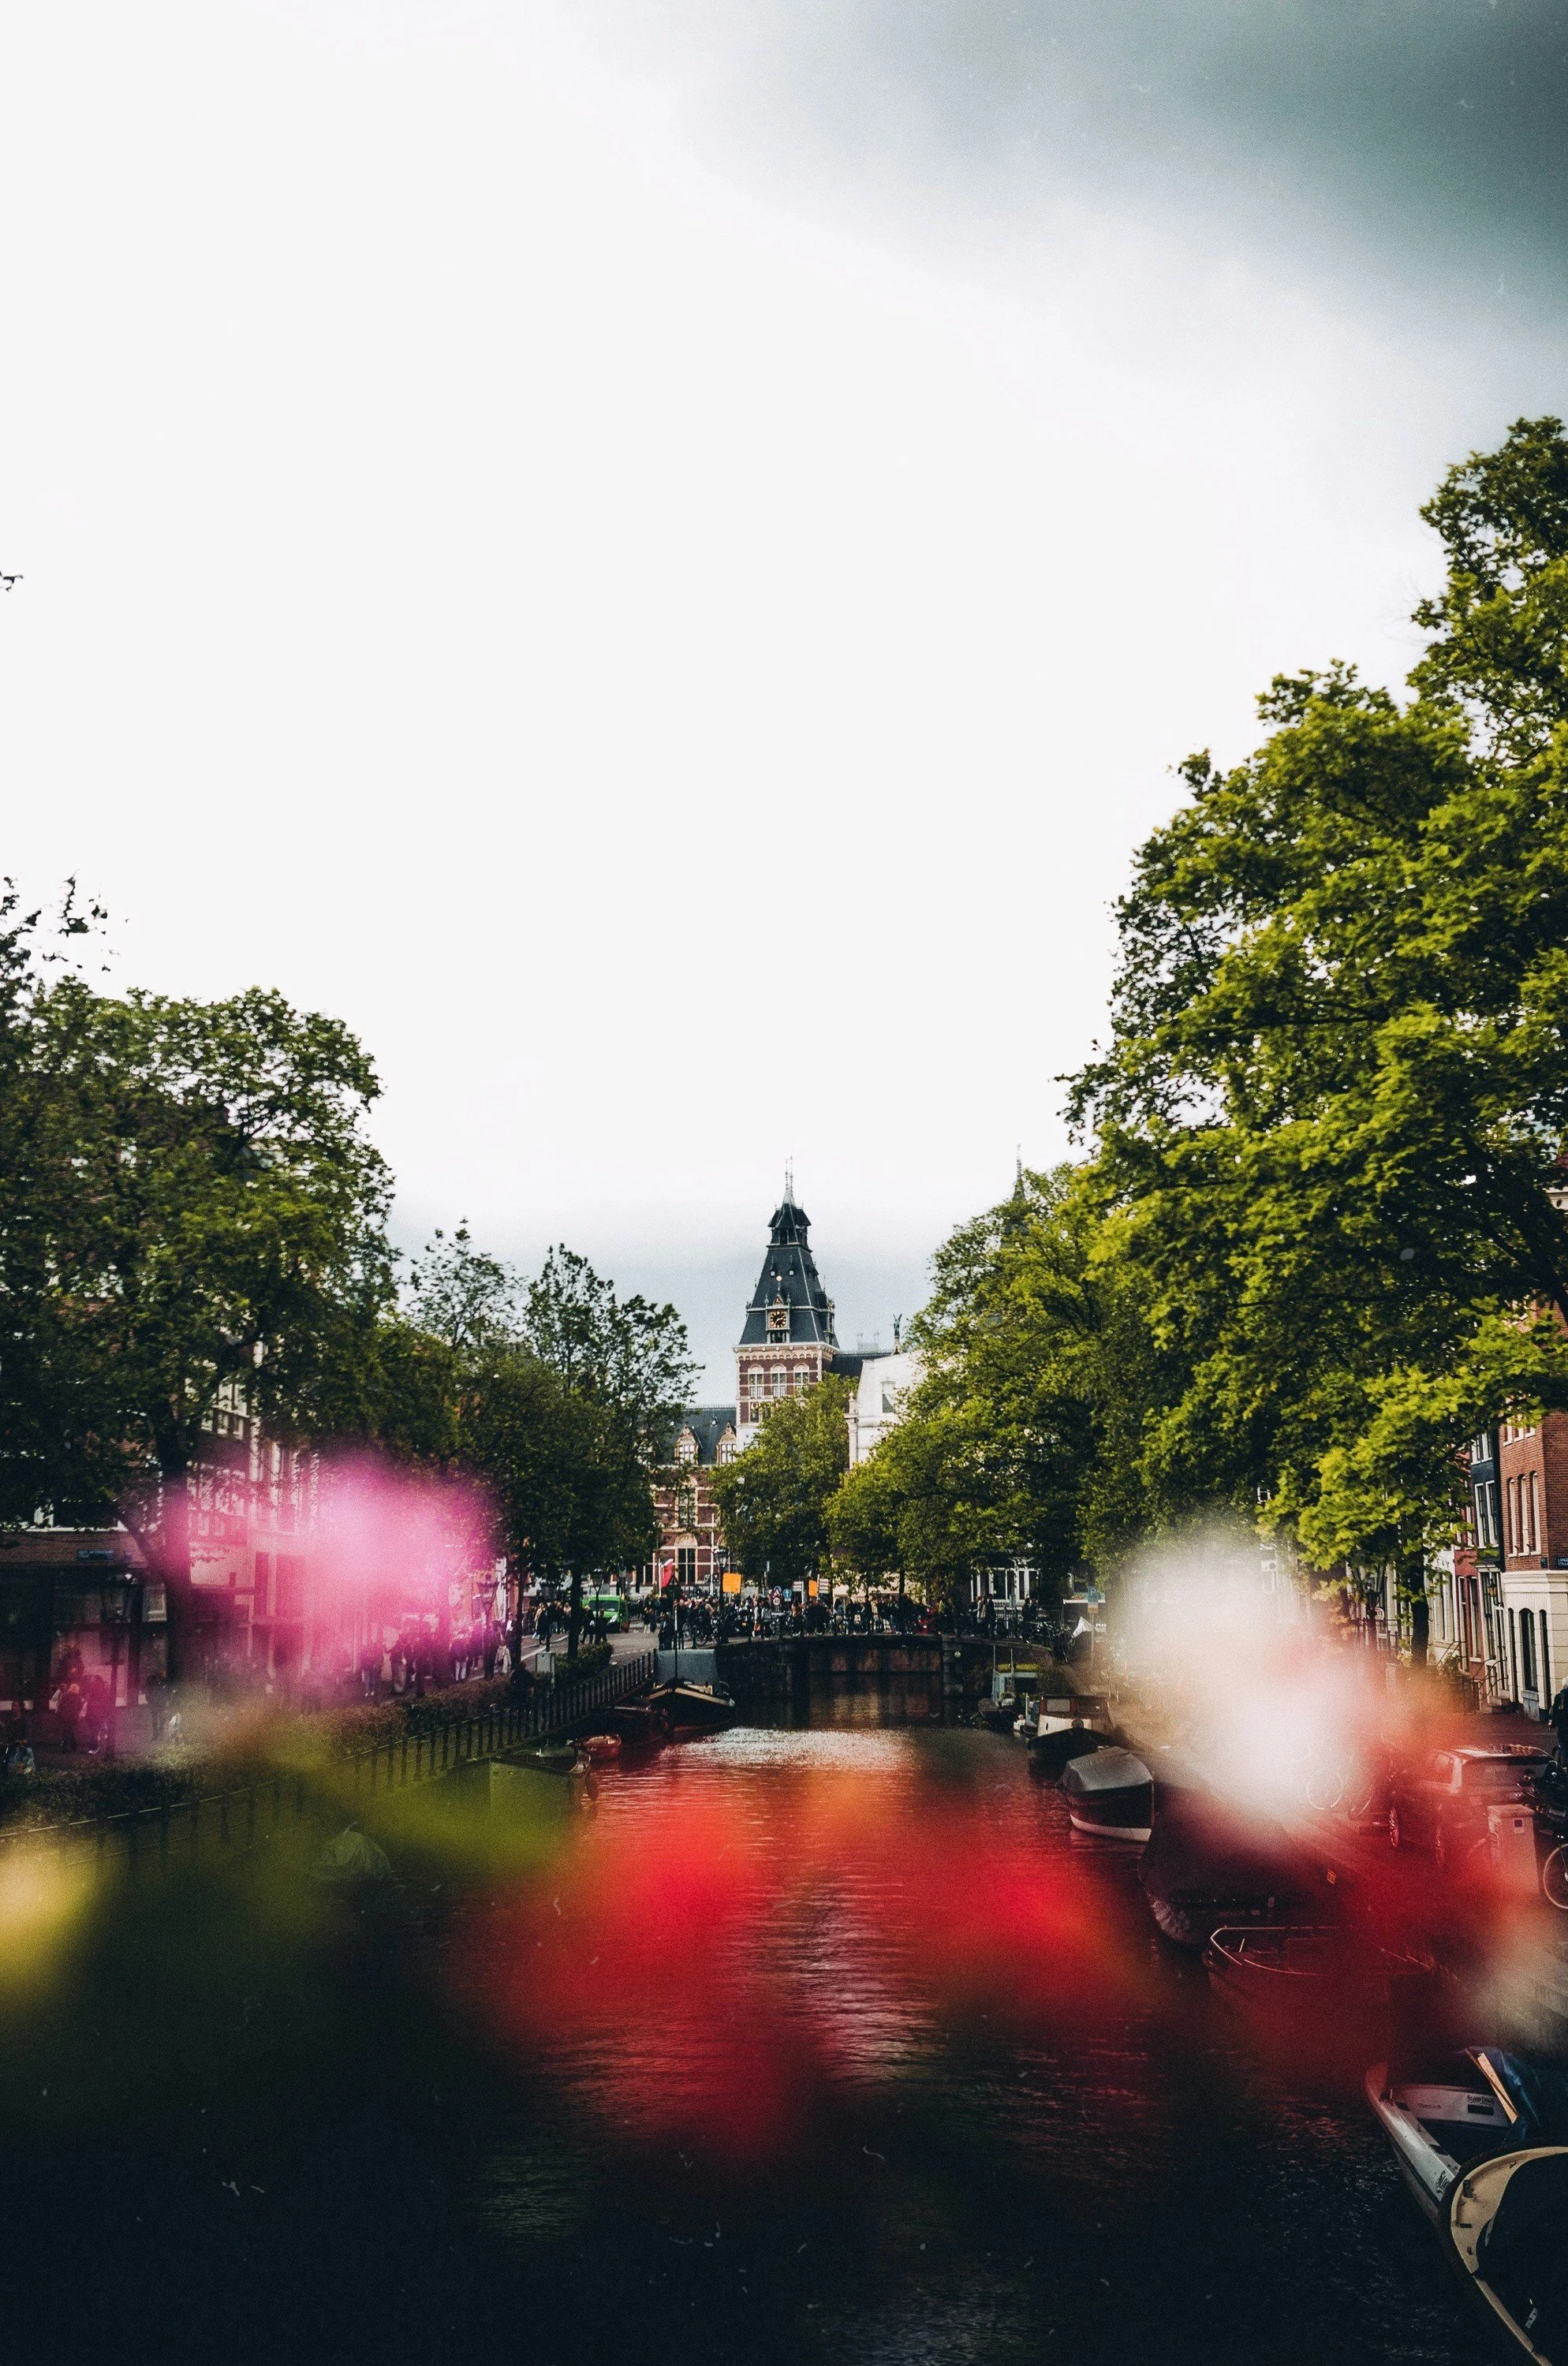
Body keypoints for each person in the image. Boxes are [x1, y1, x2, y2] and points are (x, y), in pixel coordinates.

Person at [1549, 1681, 1568, 1761]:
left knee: (1564, 1743)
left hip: (1564, 1727)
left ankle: (1565, 1760)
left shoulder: (1559, 1697)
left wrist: (1551, 1723)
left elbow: (1554, 1712)